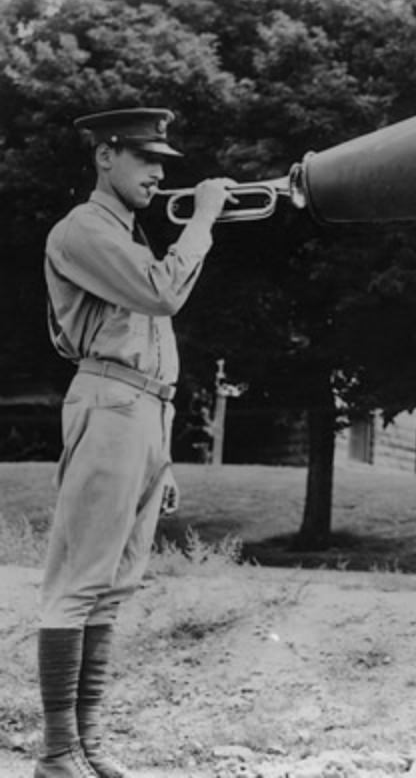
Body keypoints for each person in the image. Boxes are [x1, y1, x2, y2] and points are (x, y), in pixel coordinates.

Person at [38, 107, 234, 778]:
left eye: (164, 163)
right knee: (78, 582)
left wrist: (167, 451)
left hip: (145, 413)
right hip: (110, 402)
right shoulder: (84, 229)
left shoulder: (129, 235)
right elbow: (161, 297)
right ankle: (56, 752)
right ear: (104, 157)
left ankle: (86, 746)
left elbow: (154, 338)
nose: (158, 172)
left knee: (114, 586)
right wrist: (205, 217)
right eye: (145, 158)